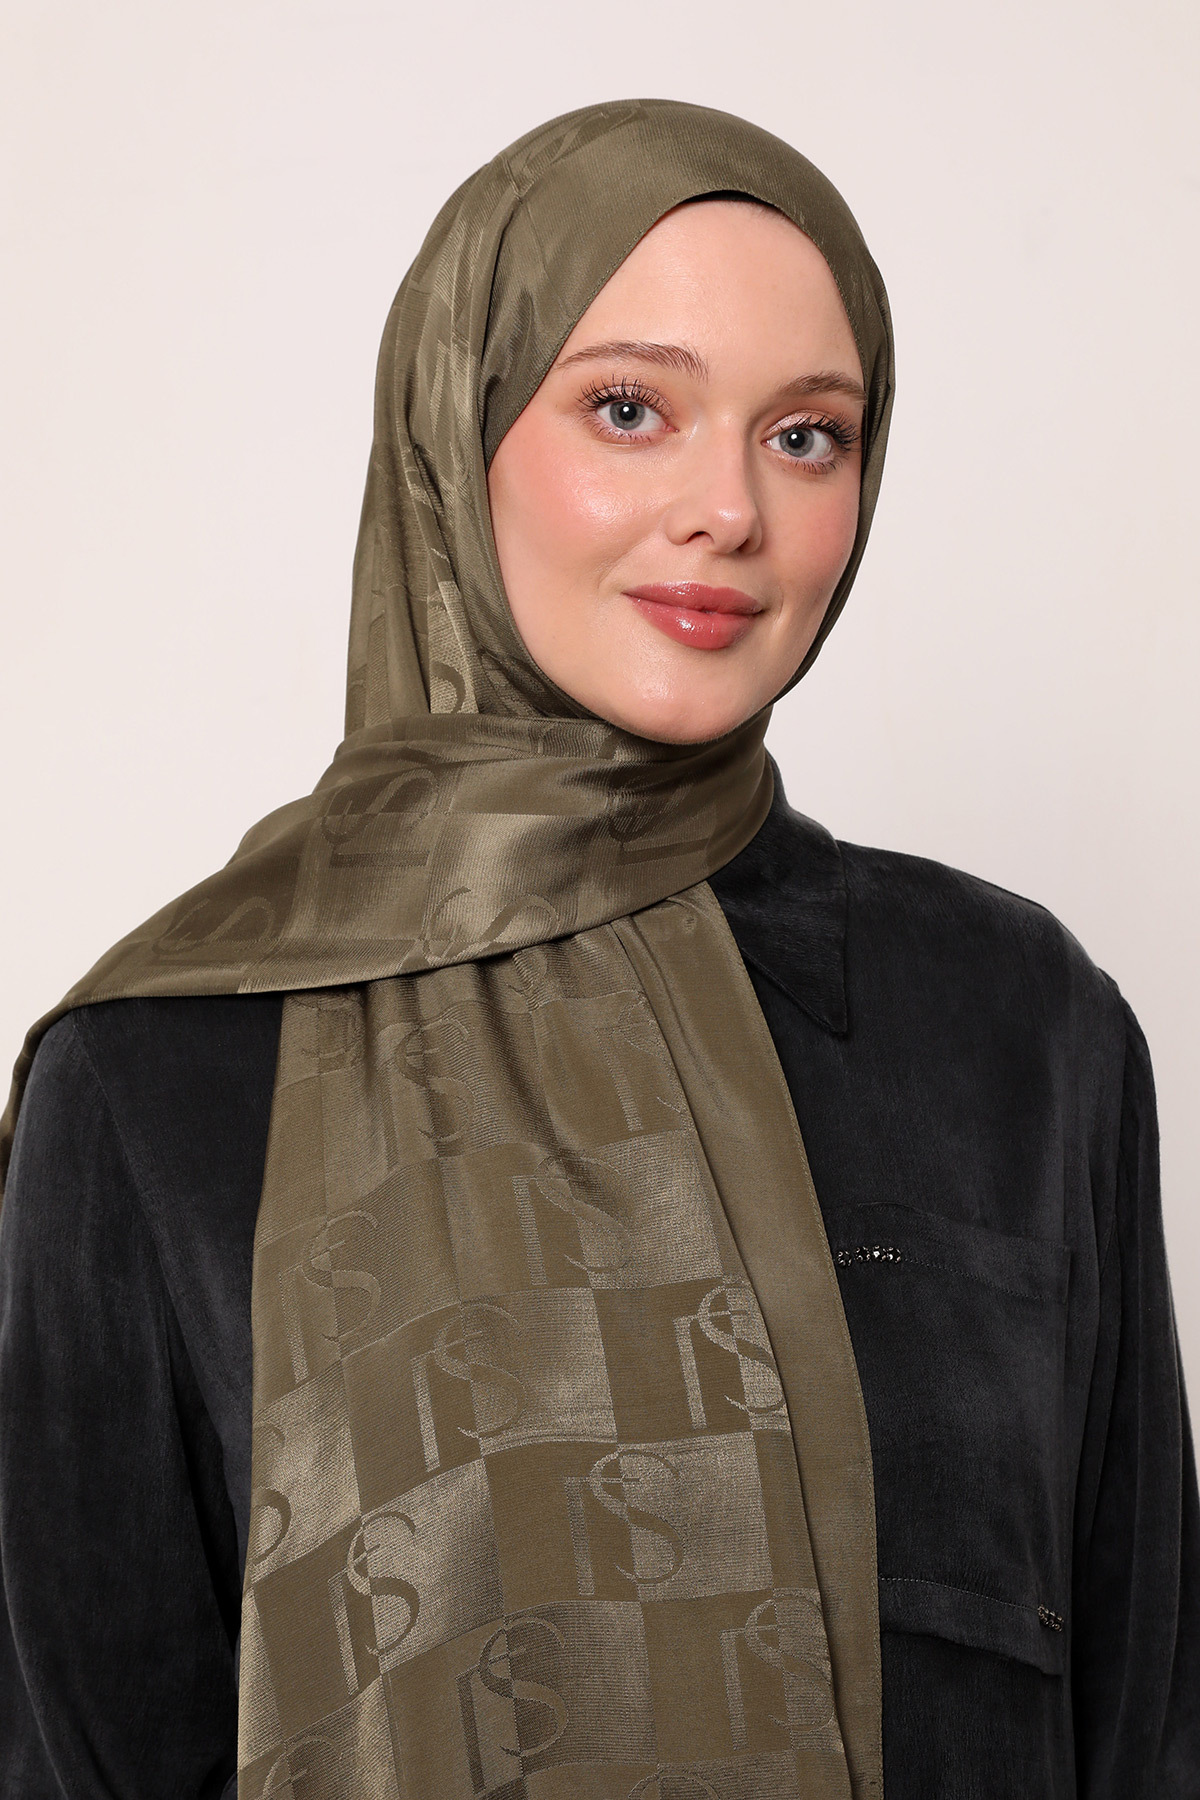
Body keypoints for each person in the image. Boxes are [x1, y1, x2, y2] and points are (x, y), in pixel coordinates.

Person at [0, 97, 1195, 1800]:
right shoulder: (158, 1077)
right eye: (630, 409)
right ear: (459, 425)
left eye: (808, 435)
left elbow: (1148, 1722)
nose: (729, 509)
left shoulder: (1027, 1030)